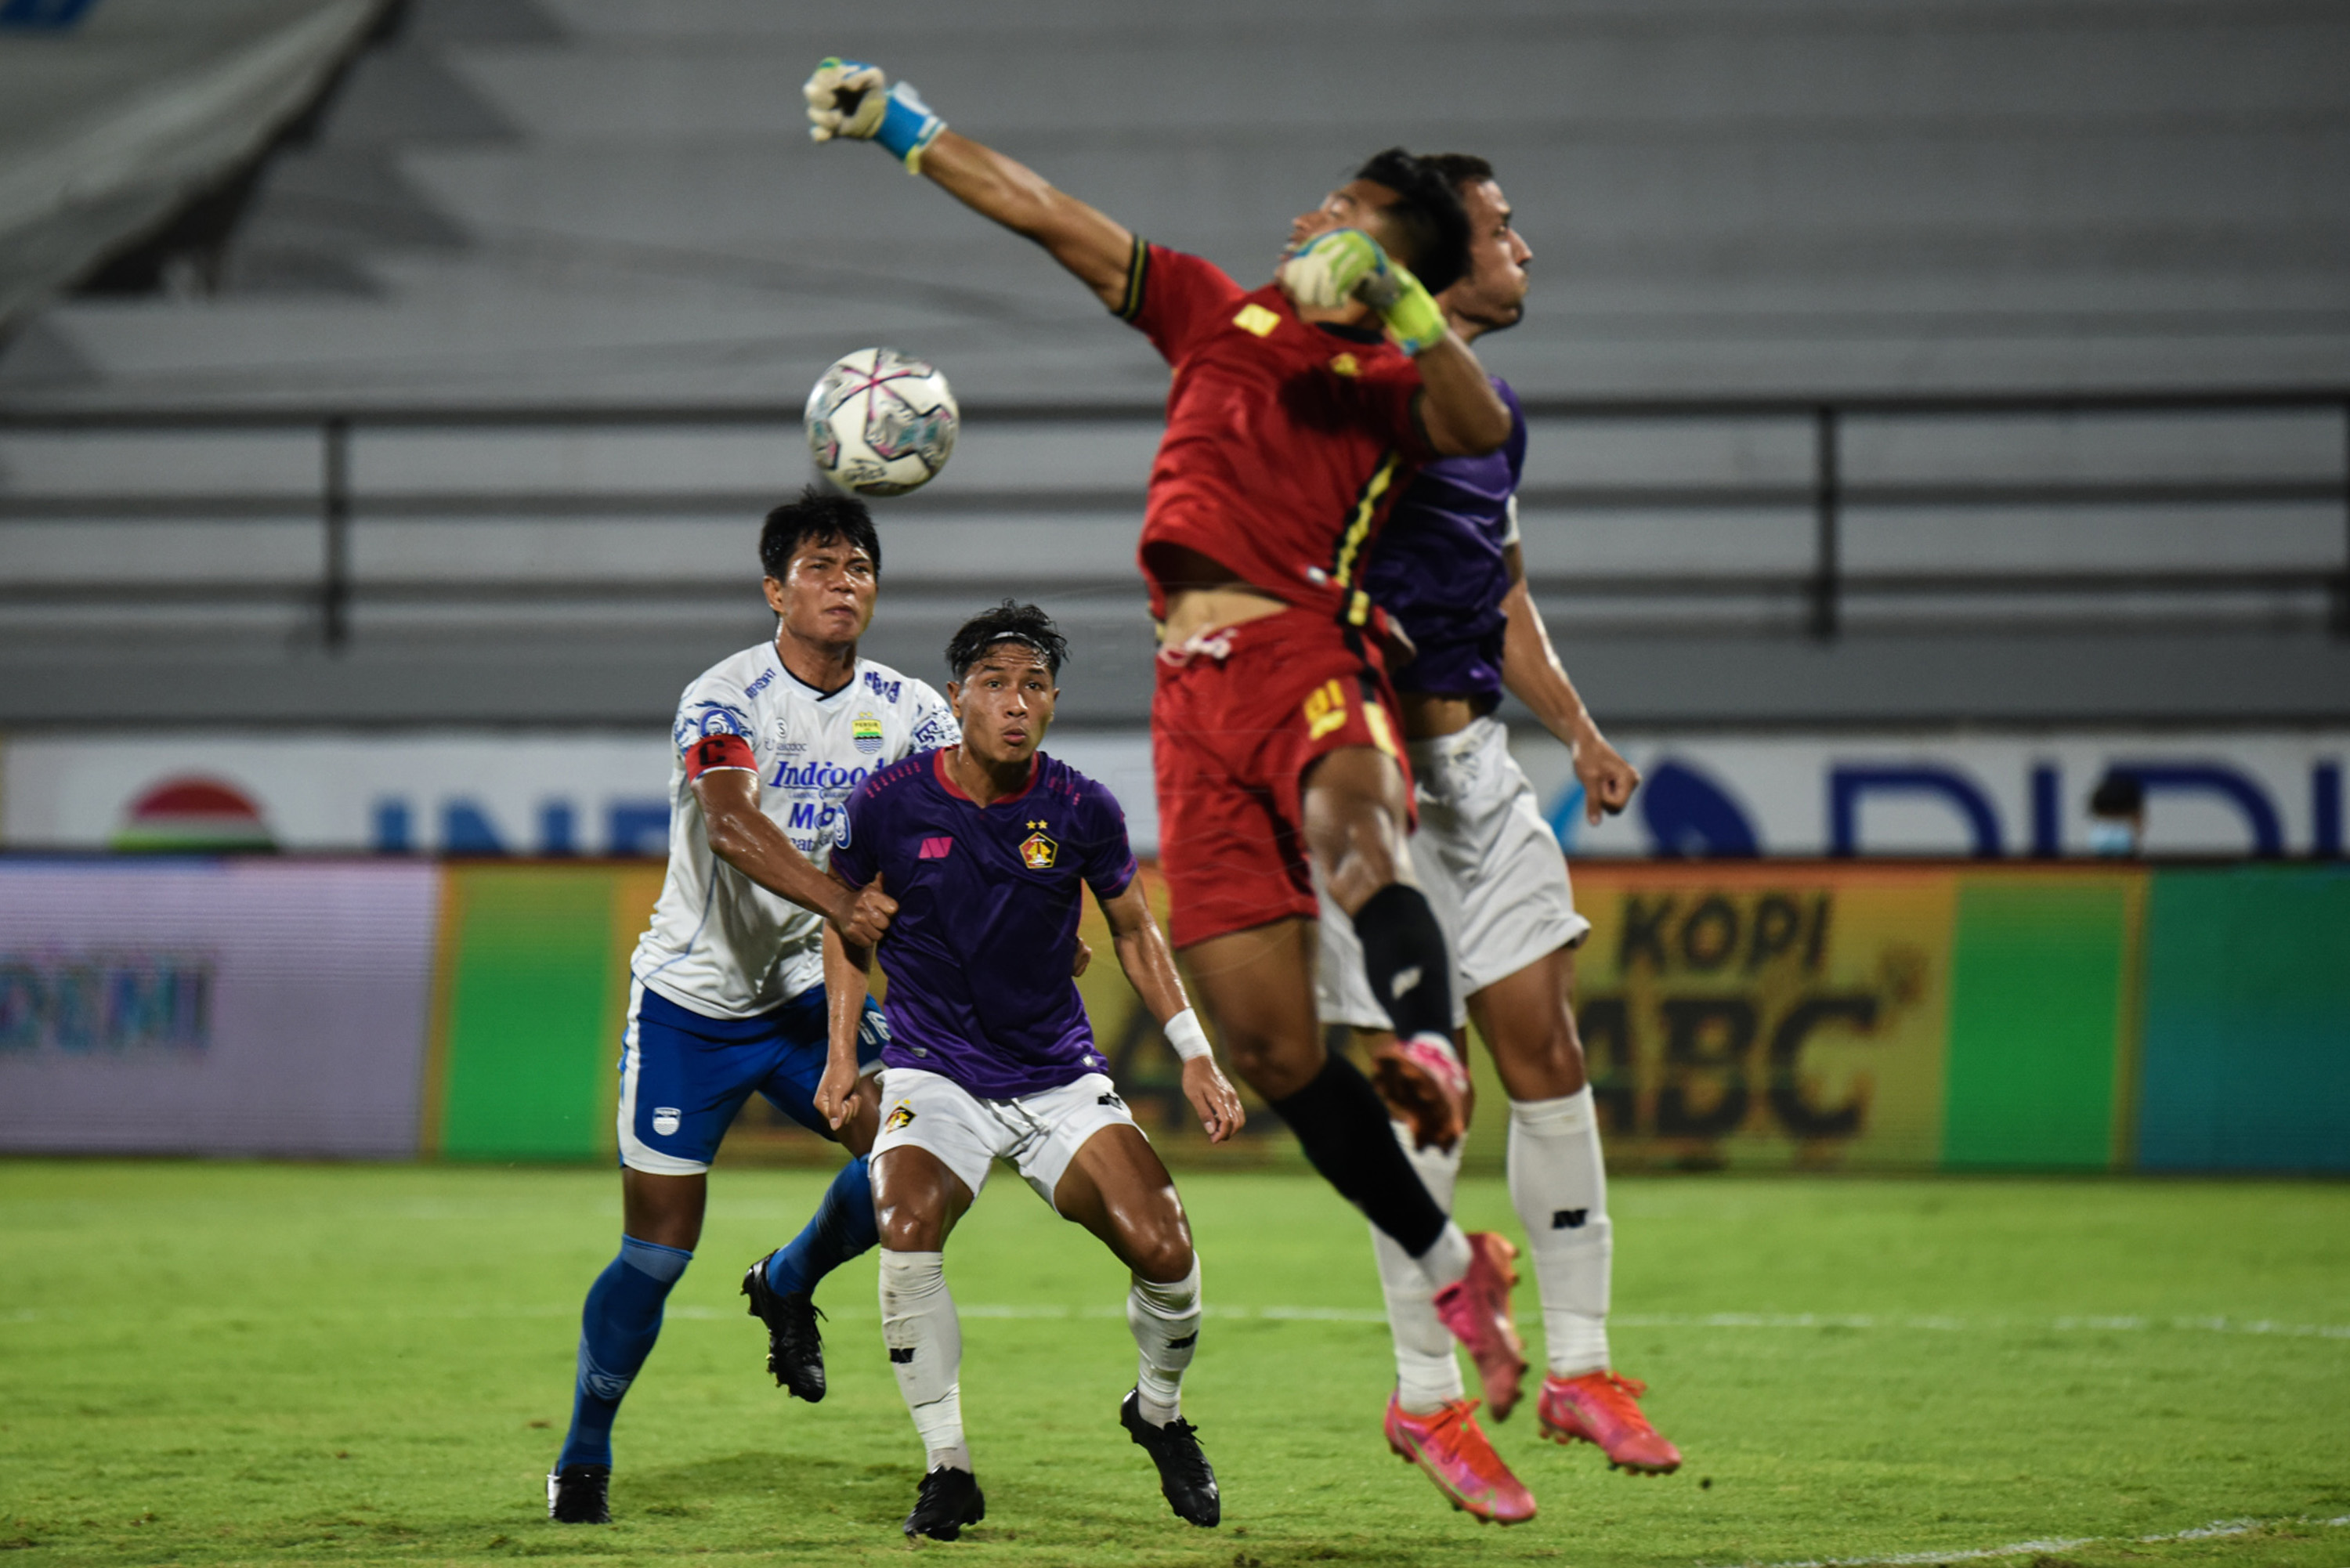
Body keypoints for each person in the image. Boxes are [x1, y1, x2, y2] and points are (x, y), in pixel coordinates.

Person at [802, 57, 1527, 1414]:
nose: (1315, 222)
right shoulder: (1212, 307)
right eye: (1323, 205)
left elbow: (1483, 423)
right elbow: (1041, 210)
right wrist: (898, 123)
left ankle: (1427, 1040)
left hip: (1304, 640)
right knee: (1270, 1045)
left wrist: (1407, 308)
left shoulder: (1387, 374)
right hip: (1188, 691)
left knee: (1353, 831)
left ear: (1396, 264)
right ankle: (1448, 1263)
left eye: (1349, 214)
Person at [1312, 157, 1682, 1524]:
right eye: (1502, 228)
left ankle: (1584, 1367)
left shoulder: (1484, 416)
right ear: (1435, 253)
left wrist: (1578, 729)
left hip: (1480, 765)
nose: (1526, 246)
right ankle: (1428, 1393)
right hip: (1369, 775)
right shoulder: (1356, 398)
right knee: (1428, 1090)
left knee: (1548, 1050)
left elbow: (1504, 587)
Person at [547, 487, 955, 1524]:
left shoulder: (913, 713)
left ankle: (787, 1277)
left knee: (918, 1167)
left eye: (859, 566)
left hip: (815, 989)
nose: (843, 583)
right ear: (776, 589)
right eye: (820, 567)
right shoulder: (723, 697)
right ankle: (585, 1450)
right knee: (656, 1251)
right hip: (693, 1002)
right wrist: (848, 899)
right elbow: (731, 827)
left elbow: (958, 837)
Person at [813, 602, 1248, 1541]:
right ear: (959, 696)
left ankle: (1158, 1414)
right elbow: (845, 928)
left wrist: (1198, 1056)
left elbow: (1135, 930)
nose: (1017, 703)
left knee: (1167, 1250)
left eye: (1035, 686)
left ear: (1052, 703)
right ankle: (949, 1466)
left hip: (1056, 1076)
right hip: (935, 1074)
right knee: (906, 1223)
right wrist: (847, 1054)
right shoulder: (887, 804)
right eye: (997, 684)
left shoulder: (1082, 806)